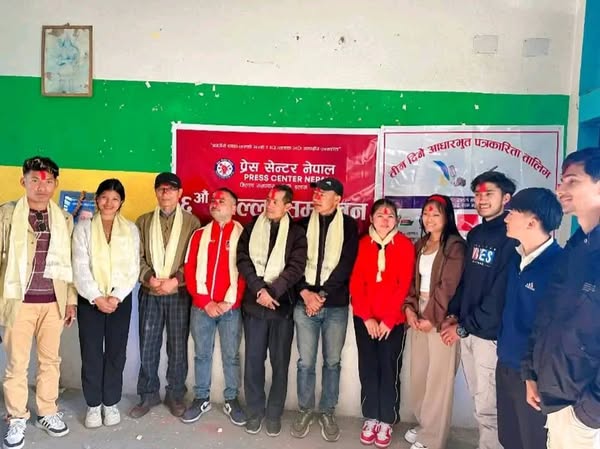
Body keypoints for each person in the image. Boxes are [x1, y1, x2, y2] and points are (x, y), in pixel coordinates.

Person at [522, 148, 600, 449]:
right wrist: (532, 372)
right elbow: (547, 314)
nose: (560, 189)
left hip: (584, 410)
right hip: (556, 397)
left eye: (572, 181)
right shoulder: (575, 246)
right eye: (561, 181)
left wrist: (590, 411)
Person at [1, 156, 77, 449]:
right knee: (17, 364)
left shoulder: (63, 219)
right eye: (35, 180)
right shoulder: (7, 215)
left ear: (56, 184)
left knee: (50, 361)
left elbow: (69, 265)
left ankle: (47, 411)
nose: (41, 187)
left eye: (48, 181)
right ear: (23, 181)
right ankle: (16, 417)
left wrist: (70, 301)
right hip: (17, 301)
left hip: (53, 303)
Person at [440, 170, 517, 449]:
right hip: (468, 330)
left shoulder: (512, 236)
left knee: (490, 407)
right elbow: (467, 281)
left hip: (489, 336)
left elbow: (500, 296)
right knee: (479, 400)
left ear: (506, 198)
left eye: (489, 194)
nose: (481, 199)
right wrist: (453, 314)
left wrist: (463, 327)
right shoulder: (475, 233)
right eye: (478, 194)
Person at [494, 187, 563, 449]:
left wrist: (531, 375)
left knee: (532, 441)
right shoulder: (516, 259)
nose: (506, 218)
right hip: (506, 364)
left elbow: (552, 332)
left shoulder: (559, 267)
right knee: (508, 437)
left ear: (532, 222)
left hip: (533, 377)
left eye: (512, 212)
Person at [291, 177, 358, 442]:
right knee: (305, 363)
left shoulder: (349, 226)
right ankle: (306, 410)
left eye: (324, 192)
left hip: (335, 306)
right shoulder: (301, 225)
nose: (317, 196)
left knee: (332, 362)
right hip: (304, 302)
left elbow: (346, 265)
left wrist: (321, 295)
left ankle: (327, 411)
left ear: (338, 199)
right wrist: (305, 293)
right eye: (316, 192)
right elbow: (293, 264)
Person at [236, 185, 307, 436]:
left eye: (275, 201)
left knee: (280, 363)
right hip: (254, 305)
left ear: (288, 206)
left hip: (281, 307)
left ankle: (274, 413)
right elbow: (242, 259)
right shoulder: (252, 227)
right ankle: (255, 412)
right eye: (268, 200)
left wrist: (272, 292)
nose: (269, 204)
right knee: (253, 362)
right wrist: (259, 290)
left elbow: (296, 267)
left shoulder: (297, 233)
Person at [130, 172, 201, 419]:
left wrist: (174, 280)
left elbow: (193, 259)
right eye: (161, 189)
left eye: (171, 189)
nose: (165, 193)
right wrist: (150, 278)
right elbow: (136, 257)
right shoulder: (143, 221)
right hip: (149, 291)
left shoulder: (192, 223)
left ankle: (175, 395)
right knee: (148, 345)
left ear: (180, 193)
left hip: (178, 293)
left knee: (177, 347)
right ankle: (148, 394)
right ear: (156, 192)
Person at [72, 179, 140, 428]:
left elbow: (132, 267)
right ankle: (93, 405)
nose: (109, 203)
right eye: (104, 197)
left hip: (119, 300)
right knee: (91, 352)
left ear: (121, 202)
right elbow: (79, 265)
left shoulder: (130, 229)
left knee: (115, 352)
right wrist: (96, 296)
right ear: (97, 199)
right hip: (90, 299)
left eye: (115, 199)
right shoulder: (83, 228)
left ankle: (110, 403)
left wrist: (116, 296)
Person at [349, 199, 415, 448]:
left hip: (392, 322)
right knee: (368, 367)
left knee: (389, 369)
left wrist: (388, 320)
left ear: (396, 220)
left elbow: (404, 284)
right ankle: (371, 417)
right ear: (371, 219)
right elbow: (356, 283)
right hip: (365, 320)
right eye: (380, 216)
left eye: (390, 216)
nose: (385, 220)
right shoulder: (362, 244)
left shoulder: (405, 245)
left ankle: (387, 419)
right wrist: (366, 317)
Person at [402, 194, 466, 449]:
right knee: (419, 373)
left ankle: (432, 438)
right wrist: (409, 309)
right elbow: (411, 280)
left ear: (447, 217)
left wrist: (431, 317)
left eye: (435, 214)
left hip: (441, 315)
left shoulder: (454, 246)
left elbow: (447, 286)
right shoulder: (421, 243)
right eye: (426, 213)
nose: (429, 218)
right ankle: (425, 425)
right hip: (419, 311)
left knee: (439, 379)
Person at [181, 188, 246, 426]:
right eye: (213, 200)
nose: (215, 203)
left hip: (231, 309)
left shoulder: (243, 235)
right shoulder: (199, 235)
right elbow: (189, 269)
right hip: (202, 308)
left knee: (231, 356)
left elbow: (245, 272)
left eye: (222, 201)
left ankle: (232, 399)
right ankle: (201, 398)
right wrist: (205, 302)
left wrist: (229, 302)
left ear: (234, 208)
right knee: (202, 354)